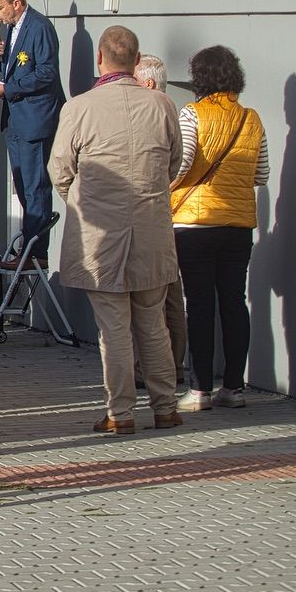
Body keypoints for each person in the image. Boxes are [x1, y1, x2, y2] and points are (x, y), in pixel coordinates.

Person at [48, 26, 182, 435]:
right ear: (136, 60)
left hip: (100, 235)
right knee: (153, 324)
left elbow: (60, 169)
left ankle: (121, 413)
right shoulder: (162, 104)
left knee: (114, 329)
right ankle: (165, 407)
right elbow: (173, 164)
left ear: (99, 59)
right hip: (151, 229)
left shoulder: (80, 107)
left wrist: (85, 201)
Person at [172, 45, 268, 412]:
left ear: (199, 77)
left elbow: (181, 164)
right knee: (234, 302)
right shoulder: (251, 119)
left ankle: (199, 391)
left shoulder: (191, 113)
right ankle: (233, 388)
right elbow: (261, 174)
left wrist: (166, 188)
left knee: (199, 304)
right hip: (238, 224)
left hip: (194, 223)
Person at [0, 0, 66, 266]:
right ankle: (28, 246)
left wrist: (8, 89)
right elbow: (17, 68)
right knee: (22, 186)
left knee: (35, 186)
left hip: (34, 119)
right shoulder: (13, 28)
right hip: (16, 119)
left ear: (16, 3)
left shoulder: (39, 27)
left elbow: (46, 73)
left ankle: (36, 252)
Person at [133, 54, 187, 378]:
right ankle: (175, 365)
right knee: (170, 294)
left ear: (149, 84)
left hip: (155, 214)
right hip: (168, 214)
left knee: (152, 297)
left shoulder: (154, 115)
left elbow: (176, 165)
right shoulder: (171, 113)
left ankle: (151, 368)